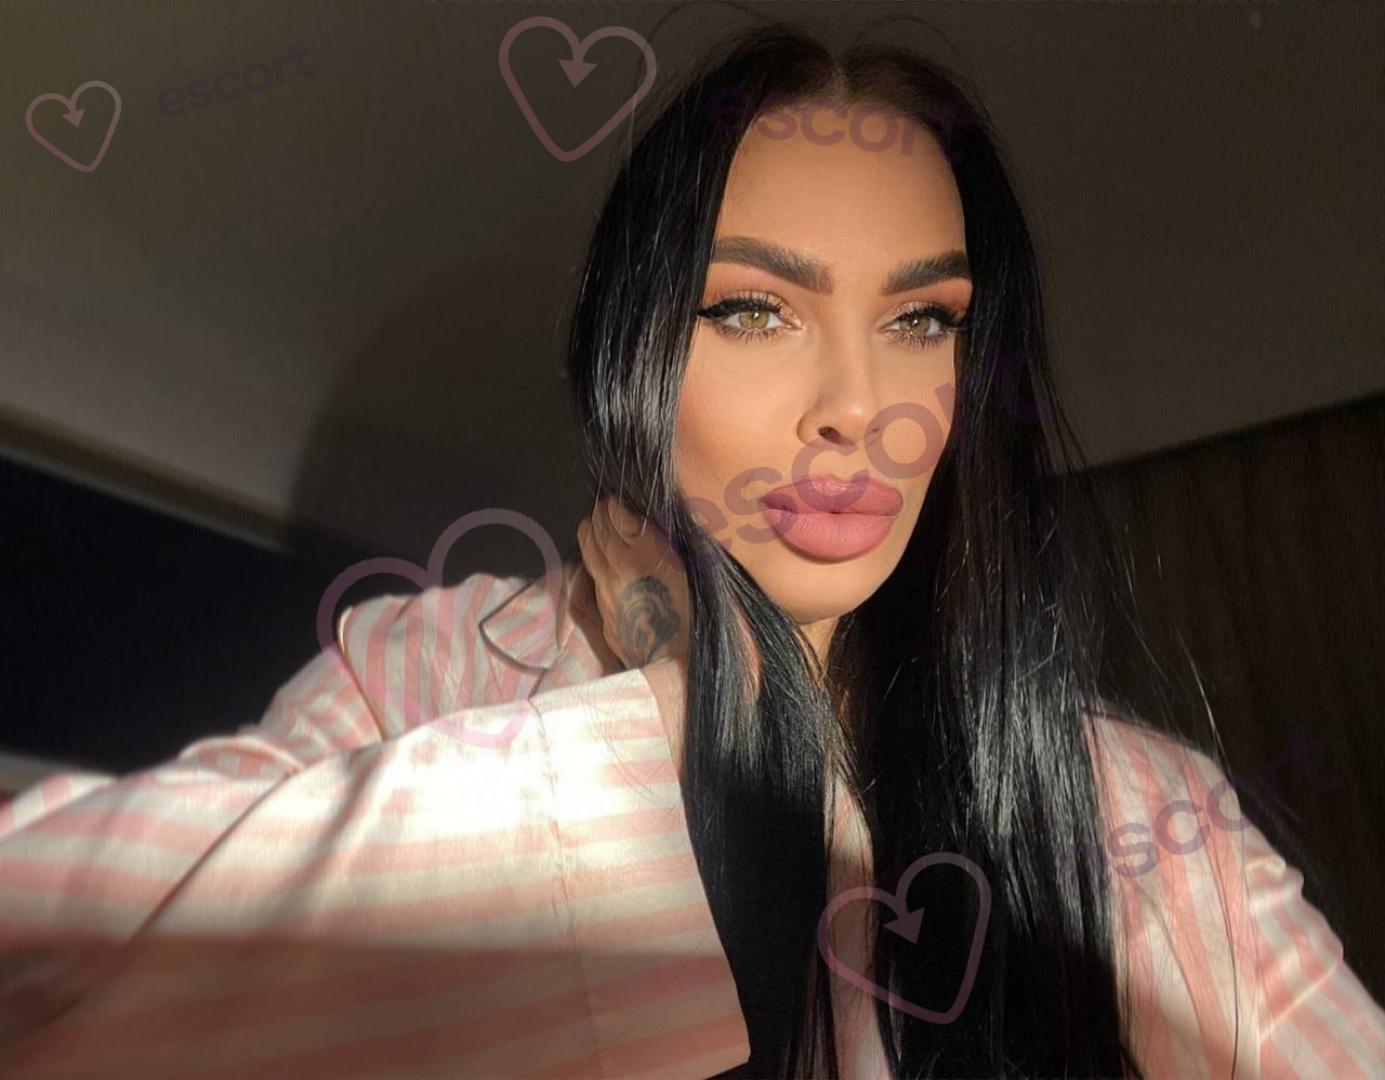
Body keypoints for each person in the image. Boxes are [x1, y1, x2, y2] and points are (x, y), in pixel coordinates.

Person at [3, 21, 1383, 1079]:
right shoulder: (437, 665)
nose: (857, 407)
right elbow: (42, 968)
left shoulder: (1136, 807)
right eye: (753, 310)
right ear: (638, 350)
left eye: (921, 321)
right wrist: (674, 704)